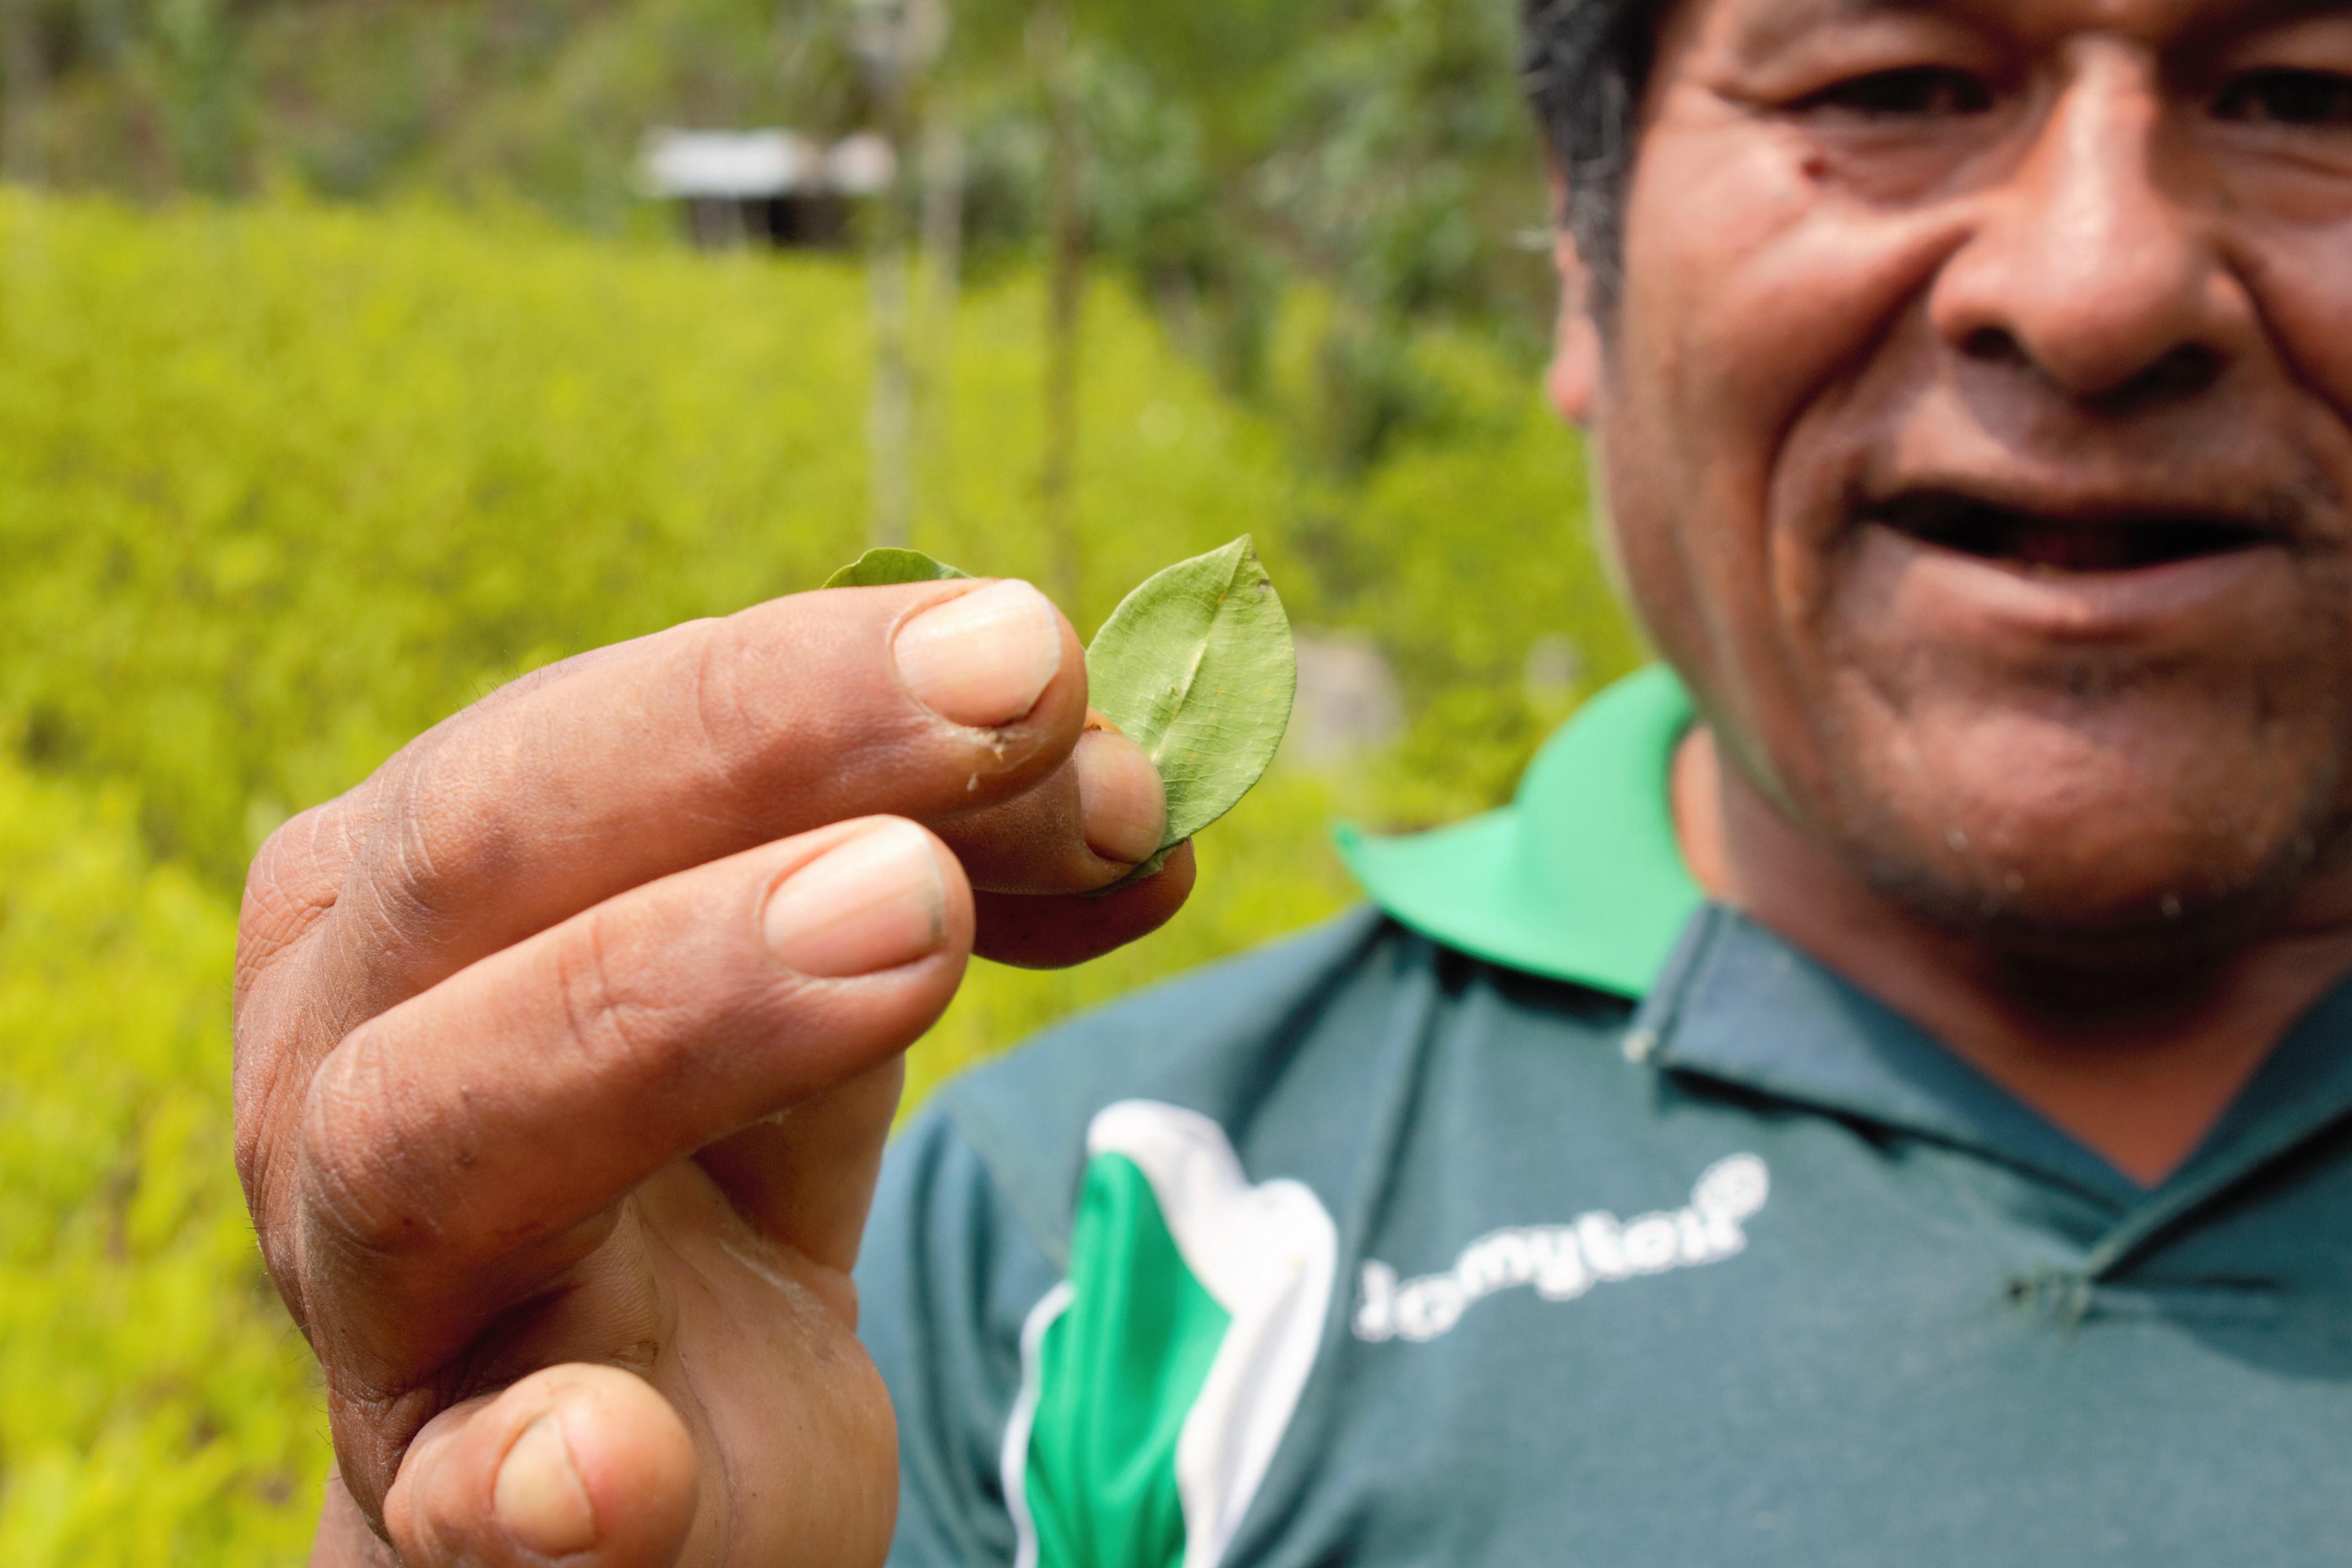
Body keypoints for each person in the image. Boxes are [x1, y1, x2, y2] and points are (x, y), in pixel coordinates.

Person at [234, 0, 2352, 1561]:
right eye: (1893, 87)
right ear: (1585, 263)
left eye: (2311, 94)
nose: (2095, 289)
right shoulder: (1074, 1246)